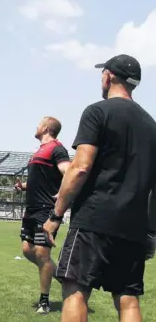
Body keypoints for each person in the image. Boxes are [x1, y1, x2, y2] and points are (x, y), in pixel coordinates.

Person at [43, 54, 156, 322]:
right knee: (127, 299)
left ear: (109, 76)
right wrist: (151, 230)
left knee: (75, 290)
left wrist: (56, 216)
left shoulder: (97, 111)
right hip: (134, 226)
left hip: (95, 219)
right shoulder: (152, 126)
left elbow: (80, 168)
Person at [14, 116, 70, 314]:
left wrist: (63, 191)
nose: (36, 126)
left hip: (46, 210)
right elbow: (41, 181)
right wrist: (24, 187)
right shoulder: (39, 151)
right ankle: (62, 277)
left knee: (41, 252)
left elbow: (68, 172)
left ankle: (44, 301)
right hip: (31, 209)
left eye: (39, 123)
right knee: (27, 251)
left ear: (46, 128)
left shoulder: (57, 148)